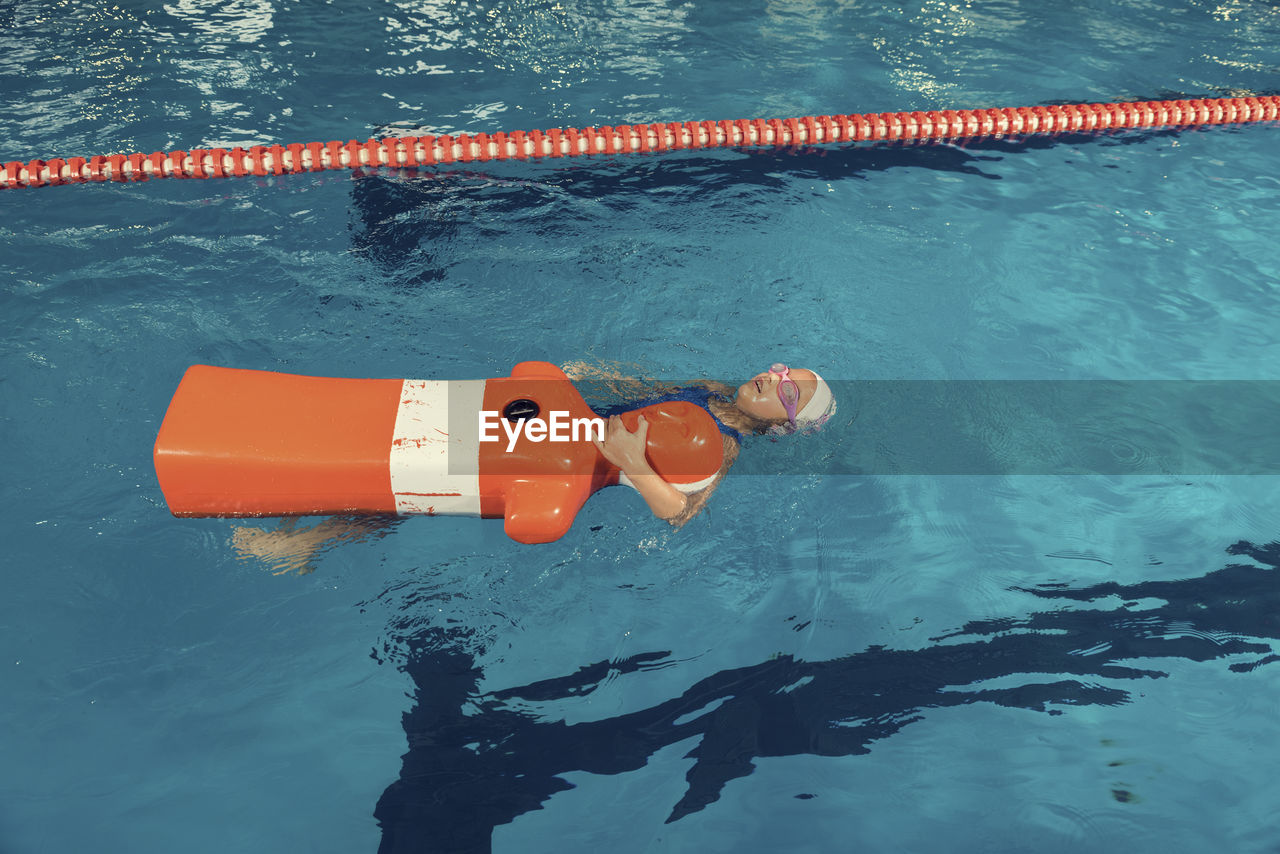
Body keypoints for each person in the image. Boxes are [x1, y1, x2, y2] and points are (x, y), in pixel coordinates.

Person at [232, 363, 836, 573]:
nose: (775, 380)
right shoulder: (709, 389)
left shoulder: (723, 446)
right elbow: (645, 392)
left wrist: (630, 461)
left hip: (573, 457)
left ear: (780, 426)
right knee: (430, 444)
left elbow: (681, 514)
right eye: (785, 371)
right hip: (568, 416)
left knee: (433, 482)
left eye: (788, 393)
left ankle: (311, 541)